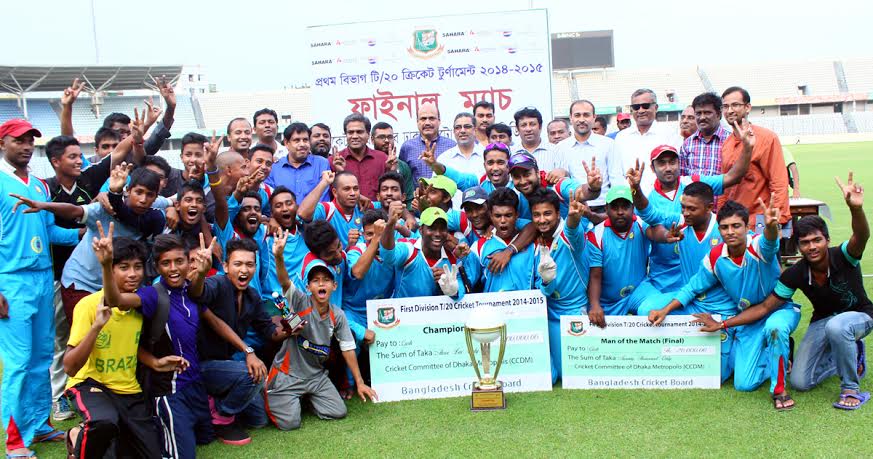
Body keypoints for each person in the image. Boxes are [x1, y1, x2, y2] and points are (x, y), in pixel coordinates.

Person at [701, 173, 871, 409]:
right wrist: (723, 325)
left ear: (827, 240)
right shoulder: (795, 273)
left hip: (859, 316)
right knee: (801, 381)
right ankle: (846, 355)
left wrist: (855, 210)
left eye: (817, 240)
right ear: (798, 246)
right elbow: (765, 307)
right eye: (805, 242)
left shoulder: (843, 256)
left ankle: (850, 388)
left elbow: (861, 236)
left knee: (838, 327)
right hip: (823, 322)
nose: (812, 247)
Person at [101, 231, 267, 457]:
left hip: (196, 385)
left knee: (208, 436)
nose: (173, 268)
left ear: (189, 262)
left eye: (179, 261)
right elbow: (115, 300)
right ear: (157, 267)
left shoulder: (190, 292)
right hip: (169, 390)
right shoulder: (152, 295)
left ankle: (199, 411)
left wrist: (248, 351)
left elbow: (217, 323)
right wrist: (106, 264)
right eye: (166, 263)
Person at [649, 198, 800, 410]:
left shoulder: (757, 246)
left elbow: (770, 242)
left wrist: (772, 227)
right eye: (724, 227)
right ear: (718, 229)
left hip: (777, 311)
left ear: (747, 227)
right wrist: (665, 310)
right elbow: (693, 287)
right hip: (748, 320)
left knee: (775, 329)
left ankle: (780, 390)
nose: (730, 232)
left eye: (736, 226)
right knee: (743, 385)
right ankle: (775, 353)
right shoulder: (715, 256)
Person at [43, 130, 142, 421]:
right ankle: (64, 395)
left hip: (104, 281)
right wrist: (79, 232)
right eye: (72, 156)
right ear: (55, 161)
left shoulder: (95, 186)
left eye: (79, 156)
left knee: (107, 334)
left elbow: (125, 152)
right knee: (70, 338)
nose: (78, 161)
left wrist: (143, 130)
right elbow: (61, 220)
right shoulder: (52, 189)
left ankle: (103, 391)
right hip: (72, 278)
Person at [0, 119, 79, 458]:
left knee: (42, 357)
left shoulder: (40, 187)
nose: (27, 146)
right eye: (19, 140)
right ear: (3, 143)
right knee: (18, 362)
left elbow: (52, 234)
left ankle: (37, 424)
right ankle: (15, 441)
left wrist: (87, 234)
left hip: (44, 279)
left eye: (31, 140)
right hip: (11, 281)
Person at [62, 238, 174, 459]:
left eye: (137, 267)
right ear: (110, 270)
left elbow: (130, 344)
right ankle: (79, 440)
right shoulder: (88, 305)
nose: (132, 274)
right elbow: (70, 367)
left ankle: (78, 434)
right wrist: (96, 328)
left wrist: (154, 362)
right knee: (103, 421)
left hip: (128, 390)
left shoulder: (139, 305)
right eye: (123, 267)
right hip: (90, 384)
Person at [265, 232, 378, 431]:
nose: (321, 284)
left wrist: (359, 382)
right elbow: (284, 282)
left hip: (316, 376)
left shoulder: (338, 315)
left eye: (326, 280)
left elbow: (348, 348)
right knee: (290, 423)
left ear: (334, 286)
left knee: (338, 411)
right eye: (315, 281)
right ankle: (272, 390)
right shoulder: (300, 301)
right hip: (288, 375)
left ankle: (306, 399)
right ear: (308, 287)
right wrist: (279, 256)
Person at [630, 129, 752, 299]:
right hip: (664, 276)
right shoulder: (646, 198)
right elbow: (650, 229)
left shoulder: (693, 183)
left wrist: (747, 147)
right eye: (662, 163)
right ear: (653, 167)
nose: (668, 168)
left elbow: (733, 176)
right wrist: (667, 235)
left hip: (699, 270)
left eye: (672, 162)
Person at [191, 238, 290, 444]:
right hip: (200, 367)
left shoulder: (252, 296)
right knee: (253, 373)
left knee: (259, 420)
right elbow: (196, 292)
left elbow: (269, 331)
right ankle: (221, 416)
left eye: (249, 264)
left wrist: (289, 329)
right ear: (226, 266)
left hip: (225, 368)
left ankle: (216, 400)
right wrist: (200, 272)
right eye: (238, 264)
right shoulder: (216, 283)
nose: (244, 270)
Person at [527, 188, 590, 383]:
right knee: (547, 375)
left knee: (568, 374)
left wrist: (572, 218)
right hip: (547, 313)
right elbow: (544, 289)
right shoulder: (536, 243)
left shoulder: (567, 235)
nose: (542, 220)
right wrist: (546, 281)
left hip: (572, 312)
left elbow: (573, 232)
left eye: (547, 213)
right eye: (536, 215)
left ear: (557, 213)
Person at [718, 86, 791, 227]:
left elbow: (778, 182)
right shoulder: (726, 144)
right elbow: (725, 188)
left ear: (748, 108)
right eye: (725, 106)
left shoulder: (766, 138)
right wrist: (720, 218)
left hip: (760, 220)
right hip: (734, 223)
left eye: (735, 105)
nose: (730, 110)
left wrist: (777, 220)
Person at [585, 186, 654, 324]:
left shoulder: (641, 225)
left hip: (638, 294)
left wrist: (667, 235)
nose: (620, 212)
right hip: (609, 302)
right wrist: (595, 305)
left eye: (625, 207)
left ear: (633, 208)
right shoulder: (595, 235)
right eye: (615, 207)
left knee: (655, 309)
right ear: (606, 209)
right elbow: (595, 275)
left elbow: (657, 235)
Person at [380, 203, 469, 300]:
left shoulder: (453, 256)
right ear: (421, 230)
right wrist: (390, 225)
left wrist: (453, 289)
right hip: (404, 313)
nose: (438, 234)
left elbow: (461, 289)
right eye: (432, 228)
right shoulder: (410, 249)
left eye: (442, 229)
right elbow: (388, 257)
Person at [613, 89, 681, 194]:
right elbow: (616, 173)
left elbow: (675, 169)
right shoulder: (621, 137)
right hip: (630, 200)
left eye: (645, 106)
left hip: (661, 199)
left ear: (656, 107)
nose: (640, 110)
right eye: (636, 107)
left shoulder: (669, 134)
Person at [556, 100, 619, 209]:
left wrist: (616, 205)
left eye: (586, 115)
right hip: (574, 208)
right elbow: (562, 181)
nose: (581, 119)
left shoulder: (608, 144)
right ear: (571, 118)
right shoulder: (561, 147)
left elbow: (616, 177)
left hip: (604, 206)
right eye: (577, 115)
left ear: (594, 117)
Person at [471, 188, 536, 292]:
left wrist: (548, 282)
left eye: (508, 215)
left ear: (517, 215)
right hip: (493, 308)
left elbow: (543, 283)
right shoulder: (478, 247)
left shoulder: (534, 244)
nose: (503, 221)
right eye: (497, 216)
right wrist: (454, 288)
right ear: (490, 216)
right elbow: (468, 279)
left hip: (526, 307)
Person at [298, 171, 369, 249]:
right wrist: (324, 182)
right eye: (347, 189)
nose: (352, 193)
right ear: (335, 192)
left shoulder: (363, 207)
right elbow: (302, 213)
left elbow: (383, 204)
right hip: (331, 260)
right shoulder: (326, 209)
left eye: (355, 189)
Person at [266, 123, 332, 203]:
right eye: (297, 140)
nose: (302, 144)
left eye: (305, 140)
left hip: (315, 215)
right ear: (287, 143)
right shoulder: (275, 168)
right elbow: (270, 199)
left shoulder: (321, 164)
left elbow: (322, 200)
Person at [332, 114, 387, 200]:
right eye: (350, 132)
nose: (355, 136)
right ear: (345, 135)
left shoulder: (382, 158)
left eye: (359, 132)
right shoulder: (334, 161)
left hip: (376, 212)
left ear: (368, 135)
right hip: (345, 213)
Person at [399, 103, 457, 183]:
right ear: (417, 122)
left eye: (432, 118)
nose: (427, 123)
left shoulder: (451, 146)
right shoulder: (407, 147)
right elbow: (403, 177)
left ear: (439, 121)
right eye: (423, 119)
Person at [439, 113, 486, 207]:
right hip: (453, 217)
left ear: (475, 130)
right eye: (458, 127)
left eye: (467, 127)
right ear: (454, 131)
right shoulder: (443, 159)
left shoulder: (486, 155)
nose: (462, 131)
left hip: (483, 214)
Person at [680, 93, 731, 177]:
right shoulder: (687, 144)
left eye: (707, 113)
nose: (702, 117)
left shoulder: (731, 140)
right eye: (698, 113)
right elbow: (681, 177)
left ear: (718, 114)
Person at [371, 122, 415, 209]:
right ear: (372, 140)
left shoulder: (402, 166)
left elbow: (409, 199)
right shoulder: (368, 163)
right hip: (371, 215)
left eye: (390, 137)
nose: (386, 140)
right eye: (381, 137)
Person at [514, 107, 567, 174]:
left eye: (532, 124)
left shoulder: (556, 151)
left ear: (540, 126)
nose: (528, 129)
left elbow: (563, 179)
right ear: (517, 129)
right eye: (523, 125)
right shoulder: (512, 153)